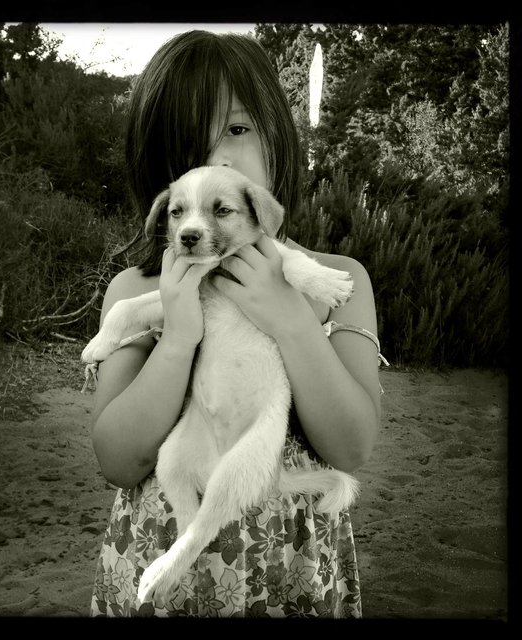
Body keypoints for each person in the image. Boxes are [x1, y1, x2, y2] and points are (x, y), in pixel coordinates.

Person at [89, 30, 382, 618]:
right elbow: (118, 461)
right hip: (155, 558)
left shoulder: (338, 278)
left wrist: (291, 321)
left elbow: (350, 447)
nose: (215, 157)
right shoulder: (137, 289)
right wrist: (177, 339)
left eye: (238, 129)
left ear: (279, 136)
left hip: (288, 567)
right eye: (187, 141)